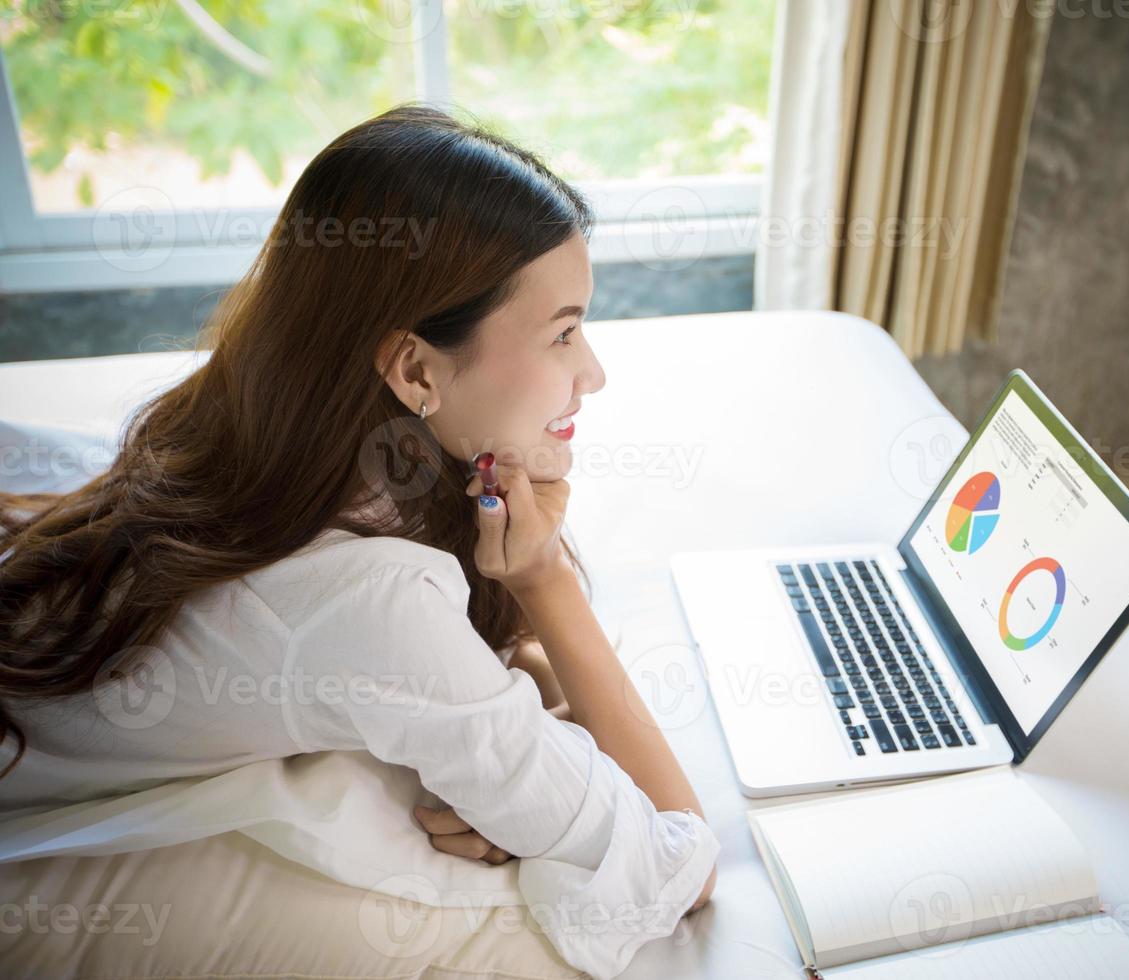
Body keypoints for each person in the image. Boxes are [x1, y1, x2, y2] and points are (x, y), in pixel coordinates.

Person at [0, 103, 717, 977]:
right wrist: (546, 580)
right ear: (414, 369)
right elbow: (680, 861)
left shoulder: (274, 432)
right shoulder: (373, 599)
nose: (593, 373)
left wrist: (529, 711)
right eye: (563, 332)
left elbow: (451, 667)